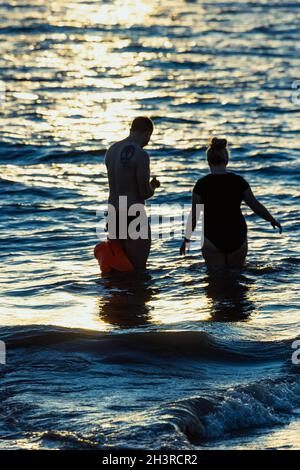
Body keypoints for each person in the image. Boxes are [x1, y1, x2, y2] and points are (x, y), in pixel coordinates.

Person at [180, 137, 282, 268]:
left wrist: (186, 239)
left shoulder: (201, 184)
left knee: (214, 281)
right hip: (237, 236)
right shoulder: (238, 181)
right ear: (226, 160)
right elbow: (255, 205)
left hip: (212, 237)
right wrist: (271, 219)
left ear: (208, 161)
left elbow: (194, 215)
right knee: (237, 279)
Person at [105, 116, 160, 269]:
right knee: (138, 271)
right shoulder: (141, 154)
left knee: (118, 268)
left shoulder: (112, 150)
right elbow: (143, 193)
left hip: (113, 213)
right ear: (147, 133)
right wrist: (153, 186)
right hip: (133, 213)